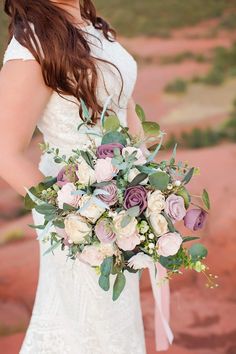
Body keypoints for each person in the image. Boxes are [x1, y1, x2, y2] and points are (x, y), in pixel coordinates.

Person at [0, 1, 171, 353]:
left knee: (114, 319)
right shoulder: (33, 44)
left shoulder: (90, 25)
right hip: (78, 218)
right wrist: (75, 218)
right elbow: (4, 150)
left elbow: (122, 106)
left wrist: (151, 185)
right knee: (85, 322)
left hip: (122, 205)